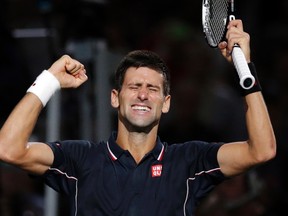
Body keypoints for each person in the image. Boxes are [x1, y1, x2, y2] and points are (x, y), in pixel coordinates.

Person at [0, 19, 276, 216]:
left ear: (166, 104)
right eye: (134, 87)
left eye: (152, 89)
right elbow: (8, 149)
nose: (143, 95)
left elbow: (261, 150)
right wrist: (48, 80)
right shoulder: (79, 159)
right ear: (114, 98)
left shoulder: (189, 162)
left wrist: (244, 68)